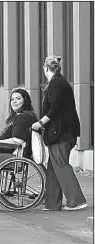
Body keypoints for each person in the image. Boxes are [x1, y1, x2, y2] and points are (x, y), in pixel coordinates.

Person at [32, 55, 87, 211]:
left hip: (61, 133)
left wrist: (40, 122)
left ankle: (77, 201)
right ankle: (52, 203)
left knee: (61, 165)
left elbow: (55, 108)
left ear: (45, 68)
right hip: (64, 131)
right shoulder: (59, 82)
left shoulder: (56, 84)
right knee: (54, 167)